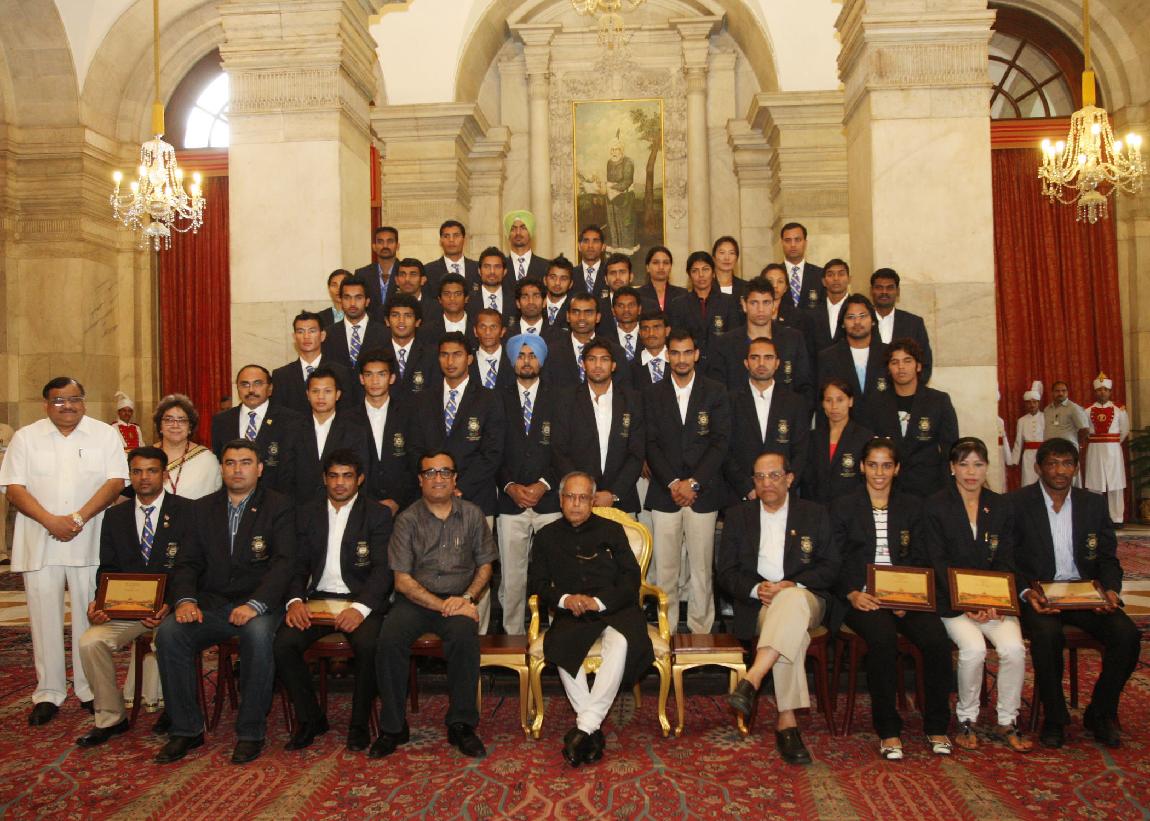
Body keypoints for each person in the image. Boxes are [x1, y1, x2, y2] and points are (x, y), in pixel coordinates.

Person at [154, 439, 295, 764]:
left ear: (259, 469)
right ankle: (186, 729)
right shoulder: (201, 509)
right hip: (212, 603)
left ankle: (250, 732)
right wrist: (185, 601)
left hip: (260, 604)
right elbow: (187, 563)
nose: (237, 470)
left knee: (257, 635)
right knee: (170, 633)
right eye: (230, 463)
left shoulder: (279, 505)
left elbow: (284, 563)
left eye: (245, 463)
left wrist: (255, 605)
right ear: (221, 468)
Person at [0, 377, 128, 726]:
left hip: (90, 539)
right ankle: (49, 692)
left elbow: (116, 481)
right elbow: (14, 487)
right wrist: (50, 521)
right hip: (40, 539)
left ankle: (89, 689)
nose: (67, 406)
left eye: (74, 399)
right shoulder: (27, 437)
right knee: (44, 619)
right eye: (59, 400)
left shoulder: (104, 435)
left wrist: (79, 517)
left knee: (90, 617)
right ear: (46, 405)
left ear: (83, 402)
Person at [1009, 438, 1141, 749]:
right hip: (1040, 596)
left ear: (1076, 468)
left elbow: (1107, 558)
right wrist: (1026, 592)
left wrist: (1110, 590)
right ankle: (1054, 718)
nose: (1060, 471)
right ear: (1038, 468)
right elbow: (1007, 559)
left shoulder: (1092, 504)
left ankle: (1100, 712)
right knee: (1046, 635)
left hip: (1085, 595)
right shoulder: (1016, 504)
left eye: (1067, 463)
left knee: (1127, 635)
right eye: (1052, 464)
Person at [832, 438, 954, 758]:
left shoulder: (913, 505)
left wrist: (907, 597)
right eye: (872, 465)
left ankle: (937, 725)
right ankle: (888, 730)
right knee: (883, 640)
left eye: (887, 465)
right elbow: (833, 559)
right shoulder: (844, 505)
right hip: (862, 597)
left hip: (906, 596)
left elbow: (922, 557)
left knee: (937, 641)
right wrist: (852, 593)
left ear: (897, 469)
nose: (879, 472)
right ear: (861, 467)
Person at [371, 452, 496, 759]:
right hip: (415, 601)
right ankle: (393, 726)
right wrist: (442, 605)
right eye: (430, 473)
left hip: (458, 598)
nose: (437, 478)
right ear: (420, 480)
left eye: (444, 472)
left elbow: (486, 566)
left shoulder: (473, 514)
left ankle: (462, 724)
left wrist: (467, 599)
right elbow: (402, 581)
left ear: (455, 479)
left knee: (465, 637)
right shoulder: (406, 520)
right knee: (388, 638)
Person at [527, 471, 655, 765]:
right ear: (560, 500)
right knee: (562, 645)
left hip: (614, 608)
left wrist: (599, 602)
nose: (576, 503)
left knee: (621, 641)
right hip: (572, 611)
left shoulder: (612, 530)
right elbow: (537, 583)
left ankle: (584, 726)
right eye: (570, 497)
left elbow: (630, 578)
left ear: (593, 500)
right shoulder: (546, 536)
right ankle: (591, 731)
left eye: (583, 497)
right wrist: (565, 600)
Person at [719, 452, 838, 765]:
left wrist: (792, 585)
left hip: (807, 597)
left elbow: (830, 567)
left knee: (791, 600)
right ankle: (787, 721)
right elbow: (726, 572)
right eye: (759, 477)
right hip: (760, 604)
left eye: (774, 475)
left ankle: (753, 677)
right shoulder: (738, 515)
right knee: (792, 633)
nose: (766, 483)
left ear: (789, 478)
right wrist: (756, 589)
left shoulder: (814, 513)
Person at [274, 449, 393, 753]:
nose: (340, 483)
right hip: (317, 600)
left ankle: (359, 724)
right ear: (324, 478)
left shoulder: (377, 514)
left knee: (369, 645)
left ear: (360, 479)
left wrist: (360, 609)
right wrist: (295, 600)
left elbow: (383, 570)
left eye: (347, 476)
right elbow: (296, 565)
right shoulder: (306, 512)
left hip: (360, 600)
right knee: (284, 643)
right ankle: (311, 719)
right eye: (334, 476)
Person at [76, 446, 193, 746]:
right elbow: (108, 568)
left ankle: (175, 711)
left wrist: (171, 603)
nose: (144, 477)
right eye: (137, 471)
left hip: (171, 609)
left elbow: (195, 567)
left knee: (169, 639)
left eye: (152, 471)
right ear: (130, 475)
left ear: (164, 475)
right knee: (90, 642)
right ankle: (111, 718)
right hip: (127, 610)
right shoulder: (115, 516)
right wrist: (100, 603)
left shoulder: (189, 512)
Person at [925, 437, 1031, 753]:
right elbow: (936, 561)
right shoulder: (936, 505)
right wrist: (967, 603)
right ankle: (967, 719)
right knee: (973, 649)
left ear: (987, 468)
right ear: (952, 468)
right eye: (964, 464)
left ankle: (1007, 719)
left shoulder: (1001, 505)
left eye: (978, 464)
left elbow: (1007, 559)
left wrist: (994, 602)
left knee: (1014, 649)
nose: (971, 472)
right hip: (953, 603)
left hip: (994, 603)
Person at [644, 330, 731, 634]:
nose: (681, 359)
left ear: (696, 355)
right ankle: (665, 630)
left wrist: (693, 483)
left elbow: (720, 442)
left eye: (687, 352)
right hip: (664, 492)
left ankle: (701, 631)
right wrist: (672, 483)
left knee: (701, 569)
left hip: (702, 493)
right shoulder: (652, 393)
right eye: (675, 353)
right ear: (667, 356)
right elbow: (650, 443)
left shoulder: (715, 391)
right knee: (665, 569)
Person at [498, 334, 562, 634]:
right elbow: (492, 449)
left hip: (549, 499)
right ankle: (513, 635)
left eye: (532, 355)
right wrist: (510, 485)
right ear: (512, 360)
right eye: (521, 356)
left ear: (542, 360)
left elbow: (566, 448)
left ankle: (560, 634)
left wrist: (544, 484)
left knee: (555, 572)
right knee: (512, 576)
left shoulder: (559, 397)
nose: (526, 361)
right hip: (510, 501)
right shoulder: (497, 397)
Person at [553, 339, 646, 515]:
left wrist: (613, 494)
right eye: (591, 359)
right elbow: (559, 450)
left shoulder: (631, 399)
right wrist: (582, 491)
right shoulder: (566, 399)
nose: (597, 365)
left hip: (621, 499)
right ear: (583, 364)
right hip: (578, 501)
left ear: (613, 365)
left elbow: (636, 452)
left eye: (604, 359)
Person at [723, 338, 810, 504]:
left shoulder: (795, 402)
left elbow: (801, 451)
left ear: (777, 363)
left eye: (768, 357)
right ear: (746, 363)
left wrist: (784, 487)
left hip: (784, 496)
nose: (761, 363)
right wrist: (747, 488)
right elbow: (724, 449)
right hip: (741, 496)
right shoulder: (729, 401)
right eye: (755, 357)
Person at [869, 338, 958, 498]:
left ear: (918, 366)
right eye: (895, 362)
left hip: (930, 489)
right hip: (889, 490)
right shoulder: (875, 404)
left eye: (907, 361)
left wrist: (948, 491)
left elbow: (950, 450)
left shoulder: (938, 401)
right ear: (888, 368)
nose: (901, 367)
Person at [708, 277, 813, 403]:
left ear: (774, 305)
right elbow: (718, 392)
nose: (761, 309)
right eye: (754, 303)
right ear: (744, 304)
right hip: (737, 413)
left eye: (766, 302)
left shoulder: (793, 339)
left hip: (784, 412)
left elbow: (805, 387)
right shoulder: (725, 343)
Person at [210, 365, 304, 494]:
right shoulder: (222, 421)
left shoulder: (291, 420)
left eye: (257, 383)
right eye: (244, 384)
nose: (251, 390)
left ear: (270, 388)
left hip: (277, 499)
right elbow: (219, 463)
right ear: (237, 388)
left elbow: (296, 469)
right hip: (233, 498)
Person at [287, 367, 372, 505]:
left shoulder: (354, 431)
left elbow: (361, 474)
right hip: (300, 507)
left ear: (338, 394)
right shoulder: (292, 430)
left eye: (327, 391)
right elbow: (285, 476)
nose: (321, 397)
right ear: (307, 394)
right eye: (315, 391)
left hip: (342, 506)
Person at [350, 349, 418, 514]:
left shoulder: (409, 415)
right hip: (361, 507)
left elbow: (415, 461)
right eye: (369, 375)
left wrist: (397, 500)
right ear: (361, 379)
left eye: (381, 374)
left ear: (392, 378)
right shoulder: (347, 419)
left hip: (404, 506)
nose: (375, 381)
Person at [816, 294, 891, 431]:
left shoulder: (889, 355)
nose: (857, 322)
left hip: (883, 432)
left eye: (863, 316)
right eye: (850, 317)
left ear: (873, 321)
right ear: (842, 323)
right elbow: (822, 403)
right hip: (844, 434)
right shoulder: (828, 357)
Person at [801, 379, 873, 504]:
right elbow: (807, 478)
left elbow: (865, 479)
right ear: (822, 404)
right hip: (817, 507)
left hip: (852, 507)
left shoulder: (864, 437)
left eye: (840, 400)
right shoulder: (813, 437)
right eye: (828, 400)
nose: (834, 406)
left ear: (850, 401)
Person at [272, 311, 356, 413]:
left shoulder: (341, 372)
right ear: (294, 337)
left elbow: (347, 410)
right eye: (300, 332)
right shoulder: (281, 375)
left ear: (322, 336)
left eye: (312, 331)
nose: (306, 336)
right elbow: (278, 413)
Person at [543, 294, 631, 389]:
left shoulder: (615, 352)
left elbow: (622, 390)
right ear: (568, 316)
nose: (581, 318)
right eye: (576, 312)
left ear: (598, 317)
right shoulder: (551, 352)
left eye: (588, 313)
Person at [667, 251, 738, 362]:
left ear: (713, 272)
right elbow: (677, 339)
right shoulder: (679, 304)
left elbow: (734, 338)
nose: (701, 275)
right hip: (690, 364)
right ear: (689, 275)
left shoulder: (728, 302)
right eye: (695, 271)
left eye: (705, 269)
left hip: (721, 364)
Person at [870, 268, 933, 384]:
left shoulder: (914, 323)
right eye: (879, 287)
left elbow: (925, 364)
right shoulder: (861, 323)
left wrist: (910, 390)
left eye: (890, 288)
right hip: (869, 392)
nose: (884, 292)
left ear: (898, 291)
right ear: (871, 291)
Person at [153, 394, 222, 499]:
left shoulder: (207, 459)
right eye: (169, 420)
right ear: (160, 426)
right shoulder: (146, 457)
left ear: (190, 427)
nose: (175, 425)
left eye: (182, 420)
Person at [1083, 371, 1129, 524]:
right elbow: (1085, 430)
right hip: (1095, 450)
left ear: (1110, 391)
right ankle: (1095, 518)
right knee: (1095, 484)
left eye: (1105, 390)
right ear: (1095, 391)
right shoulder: (1087, 410)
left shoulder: (1119, 409)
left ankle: (1117, 518)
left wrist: (1112, 442)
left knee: (1115, 484)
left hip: (1113, 450)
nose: (1102, 392)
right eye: (1099, 390)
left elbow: (1124, 430)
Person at [322, 275, 388, 371]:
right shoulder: (328, 334)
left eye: (358, 298)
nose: (352, 303)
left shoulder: (384, 333)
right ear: (341, 301)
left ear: (367, 301)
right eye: (347, 297)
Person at [384, 293, 437, 398]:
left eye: (408, 316)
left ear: (417, 322)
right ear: (387, 321)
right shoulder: (376, 354)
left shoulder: (432, 355)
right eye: (395, 315)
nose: (401, 321)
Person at [800, 258, 850, 367]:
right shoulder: (811, 315)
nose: (836, 278)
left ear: (849, 279)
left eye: (841, 274)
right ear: (823, 281)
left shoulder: (858, 310)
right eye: (830, 275)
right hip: (819, 372)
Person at [1043, 381, 1090, 487]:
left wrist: (1076, 444)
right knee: (1053, 479)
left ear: (1067, 392)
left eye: (1063, 391)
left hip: (1068, 450)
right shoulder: (1047, 409)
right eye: (1057, 391)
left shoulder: (1073, 408)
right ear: (1052, 393)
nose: (1060, 393)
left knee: (1069, 478)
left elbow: (1085, 429)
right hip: (1051, 451)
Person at [355, 226, 399, 321]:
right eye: (380, 242)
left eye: (390, 241)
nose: (385, 246)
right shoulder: (362, 274)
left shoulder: (405, 273)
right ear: (374, 247)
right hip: (370, 326)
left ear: (397, 246)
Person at [466, 246, 518, 327]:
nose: (492, 272)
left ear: (505, 271)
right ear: (479, 271)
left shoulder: (515, 300)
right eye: (487, 266)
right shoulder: (467, 300)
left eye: (497, 267)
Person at [605, 137, 638, 255]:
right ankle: (615, 247)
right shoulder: (609, 163)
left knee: (625, 223)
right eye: (612, 149)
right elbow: (609, 179)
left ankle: (626, 249)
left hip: (625, 196)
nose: (614, 152)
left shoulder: (628, 162)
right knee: (612, 221)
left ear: (622, 150)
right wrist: (607, 187)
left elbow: (627, 181)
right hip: (611, 196)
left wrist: (613, 188)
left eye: (616, 149)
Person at [422, 220, 478, 292]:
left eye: (456, 235)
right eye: (446, 236)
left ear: (464, 240)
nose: (451, 240)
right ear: (440, 241)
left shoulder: (478, 268)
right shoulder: (427, 270)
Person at [780, 222, 824, 310]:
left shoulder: (820, 275)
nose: (793, 245)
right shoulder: (772, 274)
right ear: (781, 243)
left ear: (805, 243)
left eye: (797, 240)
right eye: (788, 240)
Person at [470, 308, 515, 391]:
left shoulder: (514, 360)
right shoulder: (467, 362)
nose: (487, 332)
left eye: (493, 327)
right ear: (475, 331)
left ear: (502, 331)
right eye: (482, 326)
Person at [1011, 381, 1045, 487]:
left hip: (1042, 454)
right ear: (1026, 404)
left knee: (1043, 480)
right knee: (1028, 481)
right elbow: (1018, 441)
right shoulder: (1021, 420)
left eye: (1034, 402)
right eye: (1029, 402)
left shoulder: (1045, 417)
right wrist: (1014, 459)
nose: (1032, 405)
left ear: (1038, 403)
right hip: (1028, 456)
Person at [420, 273, 470, 343]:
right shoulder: (426, 330)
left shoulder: (478, 326)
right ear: (439, 299)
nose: (452, 298)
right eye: (447, 294)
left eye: (457, 294)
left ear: (466, 298)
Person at [504, 210, 550, 282]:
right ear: (508, 234)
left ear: (531, 232)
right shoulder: (500, 266)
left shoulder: (547, 266)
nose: (518, 233)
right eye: (513, 229)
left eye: (523, 228)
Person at [637, 245, 685, 314]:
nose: (661, 267)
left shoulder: (682, 294)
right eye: (656, 263)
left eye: (666, 263)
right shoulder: (638, 294)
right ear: (647, 267)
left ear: (670, 267)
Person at [600, 286, 643, 363]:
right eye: (621, 306)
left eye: (631, 305)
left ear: (639, 309)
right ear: (613, 311)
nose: (626, 310)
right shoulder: (604, 341)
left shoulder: (648, 336)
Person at [632, 310, 670, 389]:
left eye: (656, 327)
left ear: (667, 331)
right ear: (640, 332)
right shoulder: (629, 367)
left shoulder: (678, 362)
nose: (651, 333)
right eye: (645, 328)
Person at [762, 262, 801, 329]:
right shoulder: (753, 311)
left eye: (780, 281)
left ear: (786, 288)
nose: (775, 286)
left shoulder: (796, 315)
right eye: (770, 281)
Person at [543, 256, 576, 334]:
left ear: (571, 284)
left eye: (563, 279)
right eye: (553, 277)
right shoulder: (536, 305)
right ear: (545, 280)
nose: (557, 283)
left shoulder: (575, 308)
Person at [574, 225, 608, 296]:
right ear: (579, 246)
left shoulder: (609, 273)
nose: (590, 246)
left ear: (603, 247)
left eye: (595, 241)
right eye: (586, 241)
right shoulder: (571, 274)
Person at [712, 235, 747, 304]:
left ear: (736, 259)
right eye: (722, 253)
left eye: (731, 253)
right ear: (714, 258)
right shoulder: (706, 286)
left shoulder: (745, 287)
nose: (727, 258)